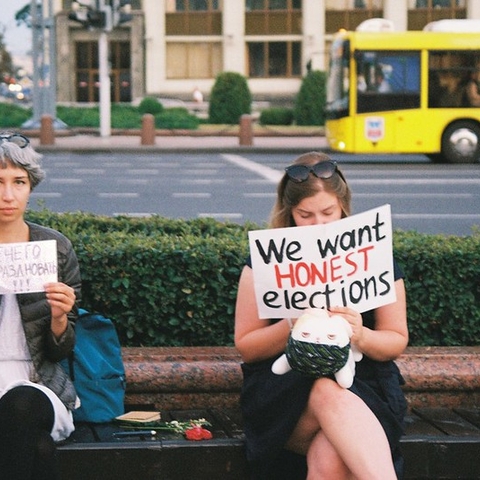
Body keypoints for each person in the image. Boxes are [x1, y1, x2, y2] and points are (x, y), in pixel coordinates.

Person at [235, 151, 408, 480]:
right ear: (290, 213)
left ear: (343, 204)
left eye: (328, 212)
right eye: (306, 215)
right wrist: (291, 323)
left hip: (364, 385)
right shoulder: (264, 261)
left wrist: (360, 334)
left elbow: (396, 339)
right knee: (326, 392)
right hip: (285, 392)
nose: (319, 224)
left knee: (330, 461)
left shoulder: (375, 254)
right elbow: (247, 346)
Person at [0, 132, 81, 480]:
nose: (7, 195)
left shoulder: (55, 247)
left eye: (18, 182)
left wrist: (60, 317)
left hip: (36, 384)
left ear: (31, 186)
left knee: (20, 406)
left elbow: (59, 351)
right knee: (38, 448)